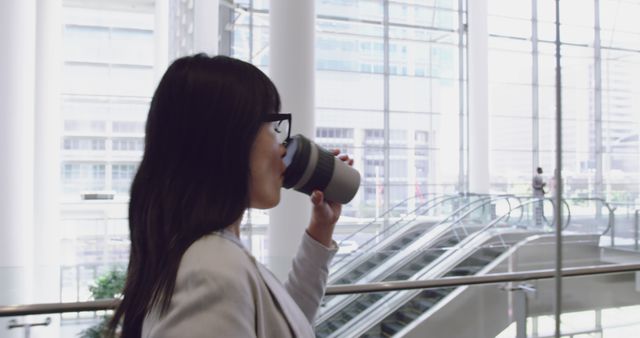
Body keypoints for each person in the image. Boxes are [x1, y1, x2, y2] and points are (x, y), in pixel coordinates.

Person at [107, 54, 353, 338]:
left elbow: (281, 325)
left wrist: (321, 230)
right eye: (274, 129)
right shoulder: (210, 271)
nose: (283, 148)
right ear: (228, 139)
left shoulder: (207, 253)